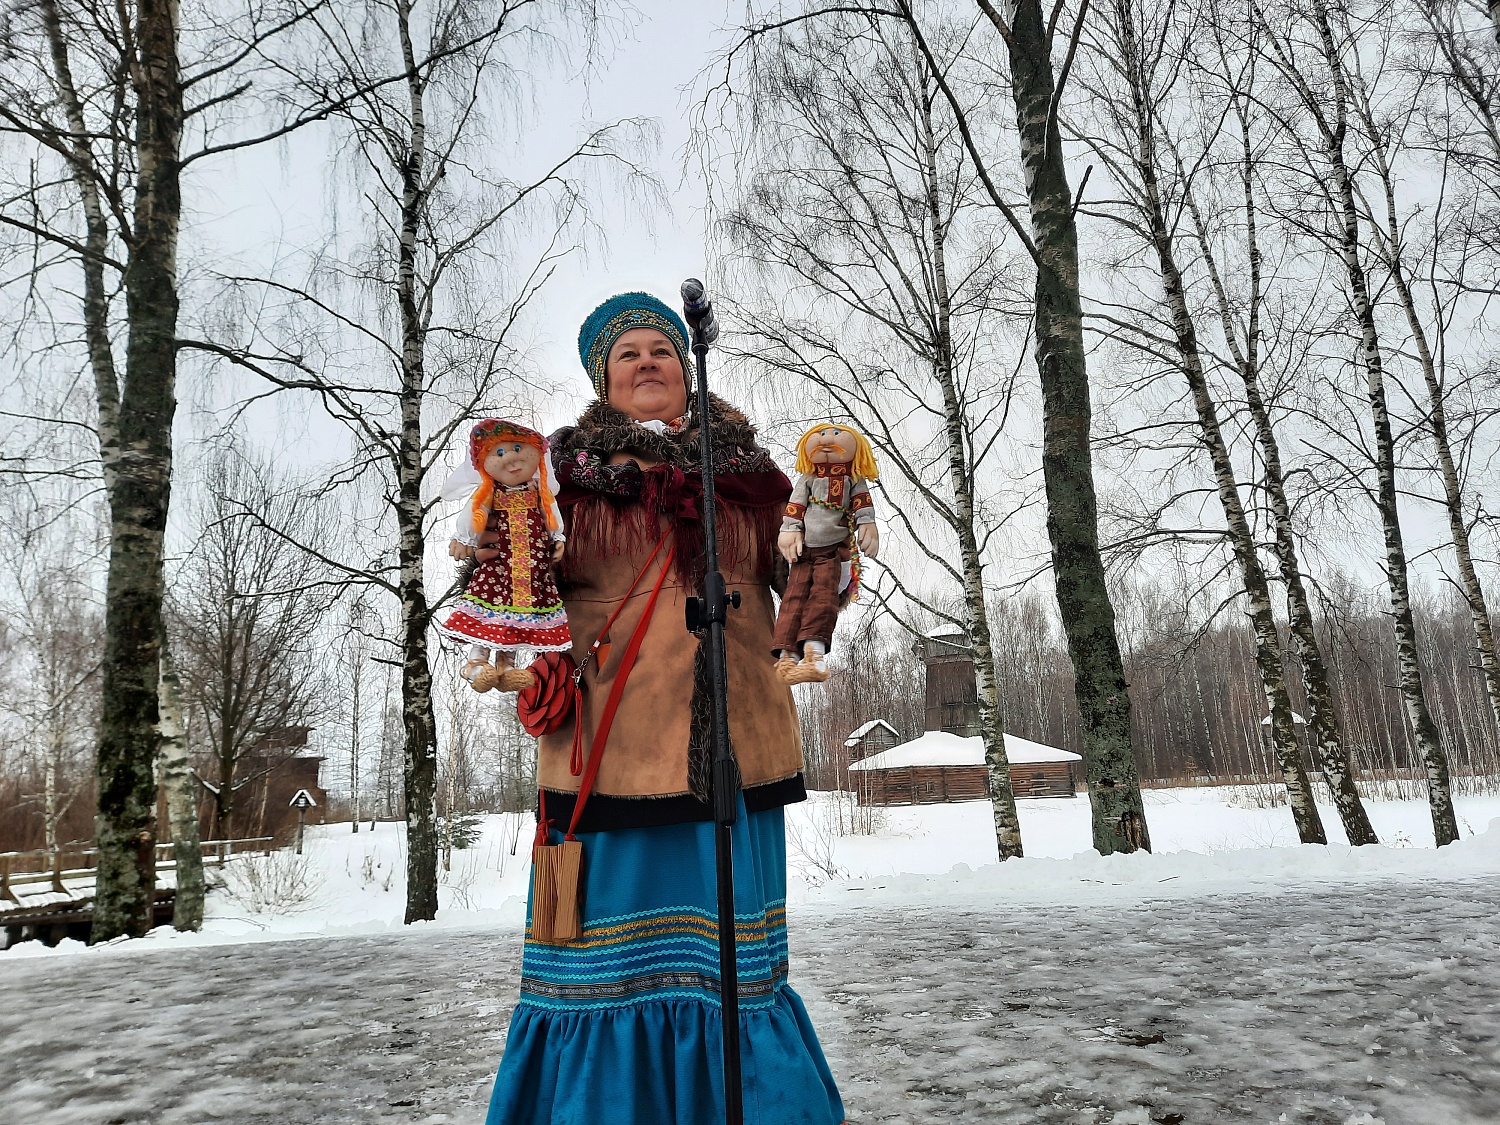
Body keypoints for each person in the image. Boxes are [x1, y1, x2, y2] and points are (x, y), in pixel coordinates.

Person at [484, 292, 846, 1125]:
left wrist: (834, 556)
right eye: (628, 353)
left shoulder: (753, 480)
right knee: (605, 967)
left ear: (689, 368)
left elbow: (796, 582)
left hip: (739, 750)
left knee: (732, 971)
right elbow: (521, 593)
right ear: (602, 382)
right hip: (608, 758)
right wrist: (526, 660)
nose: (648, 361)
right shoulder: (561, 487)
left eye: (663, 349)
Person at [437, 419, 570, 693]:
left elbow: (551, 516)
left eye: (518, 448)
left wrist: (558, 538)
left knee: (520, 618)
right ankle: (476, 662)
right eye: (498, 453)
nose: (510, 459)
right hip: (498, 571)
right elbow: (475, 513)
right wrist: (464, 538)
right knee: (491, 614)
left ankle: (507, 666)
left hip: (532, 574)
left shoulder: (538, 493)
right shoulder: (490, 493)